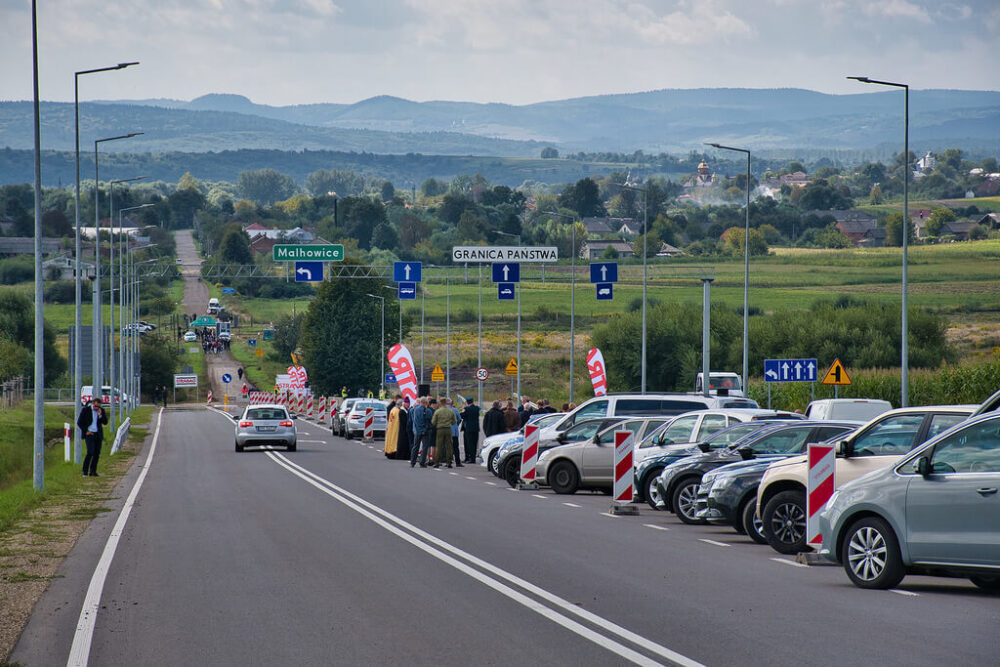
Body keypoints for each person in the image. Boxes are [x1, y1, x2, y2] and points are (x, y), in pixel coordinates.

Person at [77, 397, 108, 477]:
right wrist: (86, 431)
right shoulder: (86, 410)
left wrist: (100, 415)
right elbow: (79, 422)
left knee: (97, 453)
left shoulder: (101, 411)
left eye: (98, 406)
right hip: (89, 434)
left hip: (98, 434)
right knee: (90, 452)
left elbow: (105, 422)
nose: (97, 408)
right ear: (93, 404)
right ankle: (85, 471)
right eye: (95, 406)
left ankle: (93, 471)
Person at [431, 397, 457, 468]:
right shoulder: (450, 411)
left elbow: (433, 422)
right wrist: (448, 423)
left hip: (440, 429)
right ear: (446, 403)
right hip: (448, 429)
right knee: (449, 445)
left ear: (440, 403)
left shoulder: (437, 411)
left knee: (439, 446)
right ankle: (449, 462)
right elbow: (454, 421)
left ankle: (437, 462)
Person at [460, 397, 481, 464]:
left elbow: (462, 416)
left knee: (468, 443)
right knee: (474, 443)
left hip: (468, 428)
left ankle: (469, 458)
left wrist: (463, 410)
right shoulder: (477, 408)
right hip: (475, 428)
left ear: (467, 402)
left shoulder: (466, 409)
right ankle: (473, 457)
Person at [409, 397, 429, 468]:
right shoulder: (426, 410)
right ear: (425, 403)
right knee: (424, 447)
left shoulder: (414, 409)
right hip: (424, 431)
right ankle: (422, 462)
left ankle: (412, 462)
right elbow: (428, 421)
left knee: (415, 446)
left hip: (417, 430)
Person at [447, 399, 464, 467]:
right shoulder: (455, 410)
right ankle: (457, 462)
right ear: (451, 403)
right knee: (455, 447)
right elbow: (459, 419)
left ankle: (449, 462)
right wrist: (456, 425)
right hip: (454, 431)